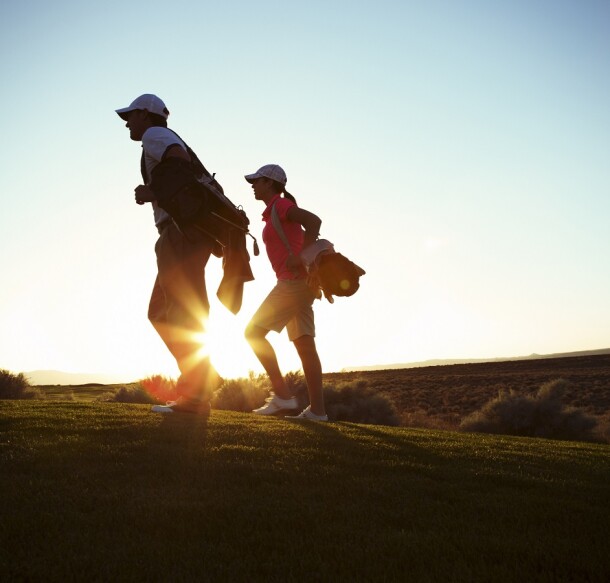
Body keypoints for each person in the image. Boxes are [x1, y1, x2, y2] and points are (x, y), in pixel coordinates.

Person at [115, 94, 220, 415]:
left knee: (180, 310)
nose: (128, 123)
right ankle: (204, 377)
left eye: (131, 116)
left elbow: (178, 159)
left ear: (147, 115)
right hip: (181, 234)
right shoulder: (157, 135)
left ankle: (195, 393)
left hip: (180, 233)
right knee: (161, 312)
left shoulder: (155, 135)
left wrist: (156, 192)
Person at [244, 165, 328, 421]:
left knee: (253, 333)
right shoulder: (272, 213)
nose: (253, 185)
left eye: (257, 181)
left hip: (292, 284)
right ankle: (318, 412)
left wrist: (303, 254)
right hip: (302, 285)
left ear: (270, 183)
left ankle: (281, 395)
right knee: (305, 346)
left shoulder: (280, 206)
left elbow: (314, 221)